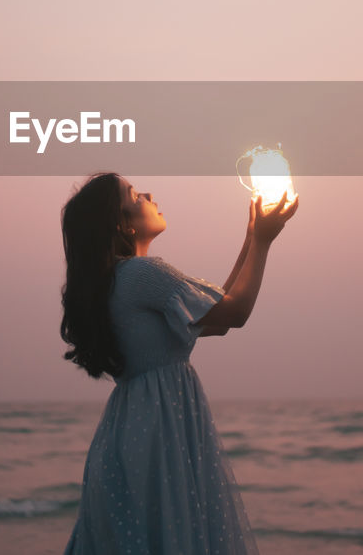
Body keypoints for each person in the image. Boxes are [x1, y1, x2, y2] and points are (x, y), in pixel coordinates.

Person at [60, 173, 298, 554]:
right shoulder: (143, 274)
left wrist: (252, 238)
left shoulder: (114, 283)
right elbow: (234, 314)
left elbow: (216, 317)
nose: (149, 195)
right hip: (159, 430)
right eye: (134, 195)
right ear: (120, 223)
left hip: (131, 430)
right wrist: (264, 243)